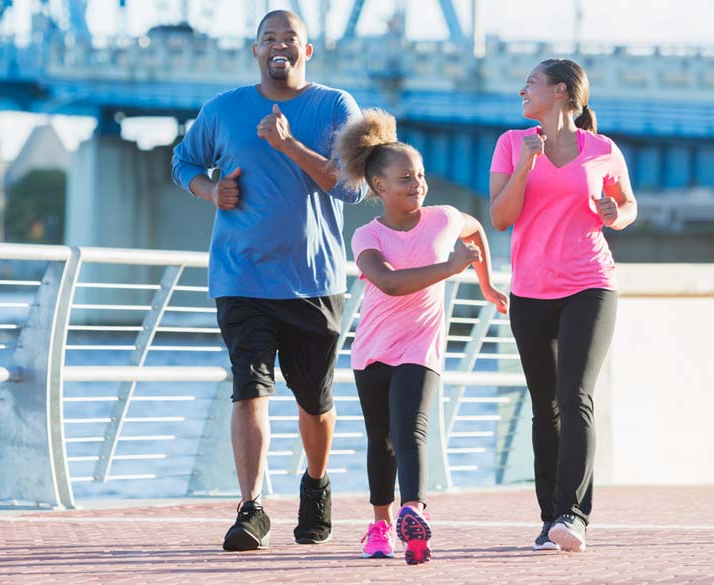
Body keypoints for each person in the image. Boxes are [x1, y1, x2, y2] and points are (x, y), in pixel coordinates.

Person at [171, 10, 366, 551]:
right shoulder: (223, 109)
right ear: (255, 50)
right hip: (241, 276)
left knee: (314, 402)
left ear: (308, 50)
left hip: (313, 280)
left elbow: (352, 189)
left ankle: (315, 484)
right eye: (269, 38)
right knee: (249, 388)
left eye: (290, 38)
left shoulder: (335, 107)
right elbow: (183, 162)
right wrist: (211, 191)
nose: (280, 46)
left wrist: (288, 145)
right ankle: (251, 508)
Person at [334, 109, 509, 564]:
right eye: (406, 178)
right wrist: (450, 268)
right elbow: (389, 283)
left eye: (421, 175)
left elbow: (475, 231)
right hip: (373, 349)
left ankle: (412, 511)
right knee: (381, 439)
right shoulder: (367, 236)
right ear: (379, 186)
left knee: (410, 428)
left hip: (421, 346)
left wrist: (486, 284)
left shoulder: (443, 218)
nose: (418, 185)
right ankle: (380, 525)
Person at [489, 58, 638, 553]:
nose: (522, 91)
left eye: (530, 83)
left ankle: (573, 514)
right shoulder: (511, 144)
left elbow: (628, 205)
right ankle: (549, 517)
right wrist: (525, 166)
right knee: (545, 407)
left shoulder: (602, 150)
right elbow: (501, 217)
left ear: (559, 92)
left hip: (590, 284)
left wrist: (616, 214)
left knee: (575, 396)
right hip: (531, 290)